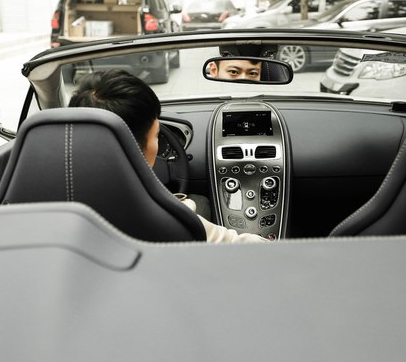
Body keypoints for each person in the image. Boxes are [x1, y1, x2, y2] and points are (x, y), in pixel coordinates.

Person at [68, 69, 268, 244]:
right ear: (136, 148)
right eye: (157, 136)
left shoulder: (57, 204)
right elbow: (238, 247)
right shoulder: (171, 219)